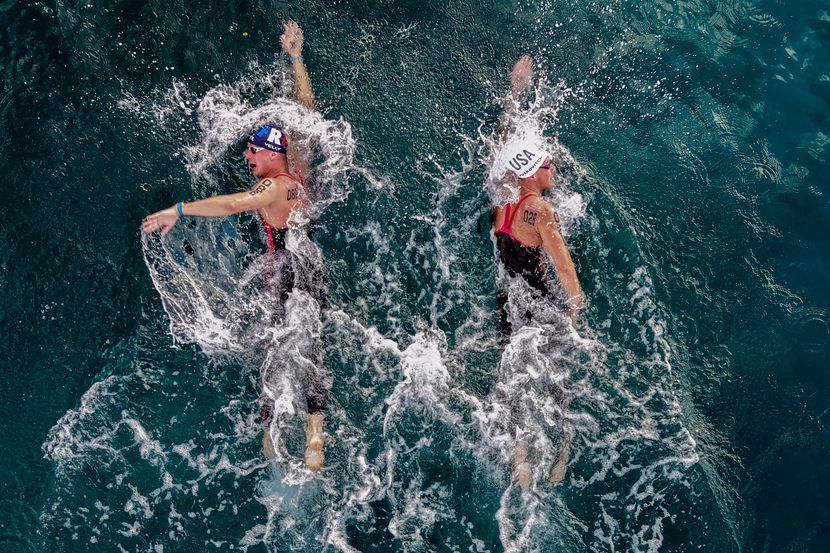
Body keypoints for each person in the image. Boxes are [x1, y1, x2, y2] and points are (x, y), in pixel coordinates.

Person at [142, 21, 327, 471]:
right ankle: (316, 438)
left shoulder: (273, 188)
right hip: (312, 266)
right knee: (310, 347)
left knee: (274, 348)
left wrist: (178, 211)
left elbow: (230, 204)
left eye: (251, 152)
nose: (246, 158)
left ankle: (269, 437)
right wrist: (296, 58)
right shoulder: (298, 169)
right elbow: (308, 110)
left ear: (269, 153)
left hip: (284, 272)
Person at [492, 55, 584, 490]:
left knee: (512, 375)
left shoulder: (503, 205)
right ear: (532, 173)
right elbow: (562, 264)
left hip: (508, 300)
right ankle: (563, 451)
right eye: (548, 164)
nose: (554, 167)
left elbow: (501, 146)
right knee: (556, 377)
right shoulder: (540, 209)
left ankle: (521, 459)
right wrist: (577, 310)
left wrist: (515, 91)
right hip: (542, 301)